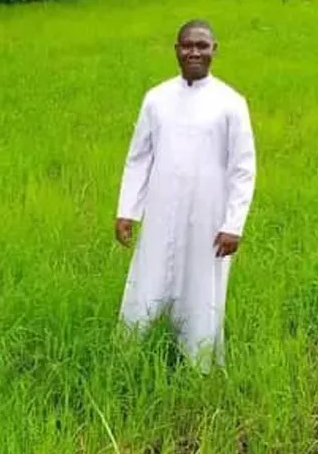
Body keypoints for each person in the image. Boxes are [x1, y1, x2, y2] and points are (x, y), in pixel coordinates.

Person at [114, 19, 257, 372]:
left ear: (214, 50)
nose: (194, 52)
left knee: (201, 284)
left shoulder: (231, 103)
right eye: (187, 45)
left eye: (201, 46)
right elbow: (139, 158)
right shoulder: (156, 99)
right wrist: (127, 210)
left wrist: (233, 225)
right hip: (161, 210)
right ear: (176, 50)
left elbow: (243, 168)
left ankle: (199, 362)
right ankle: (130, 355)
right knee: (148, 276)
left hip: (209, 214)